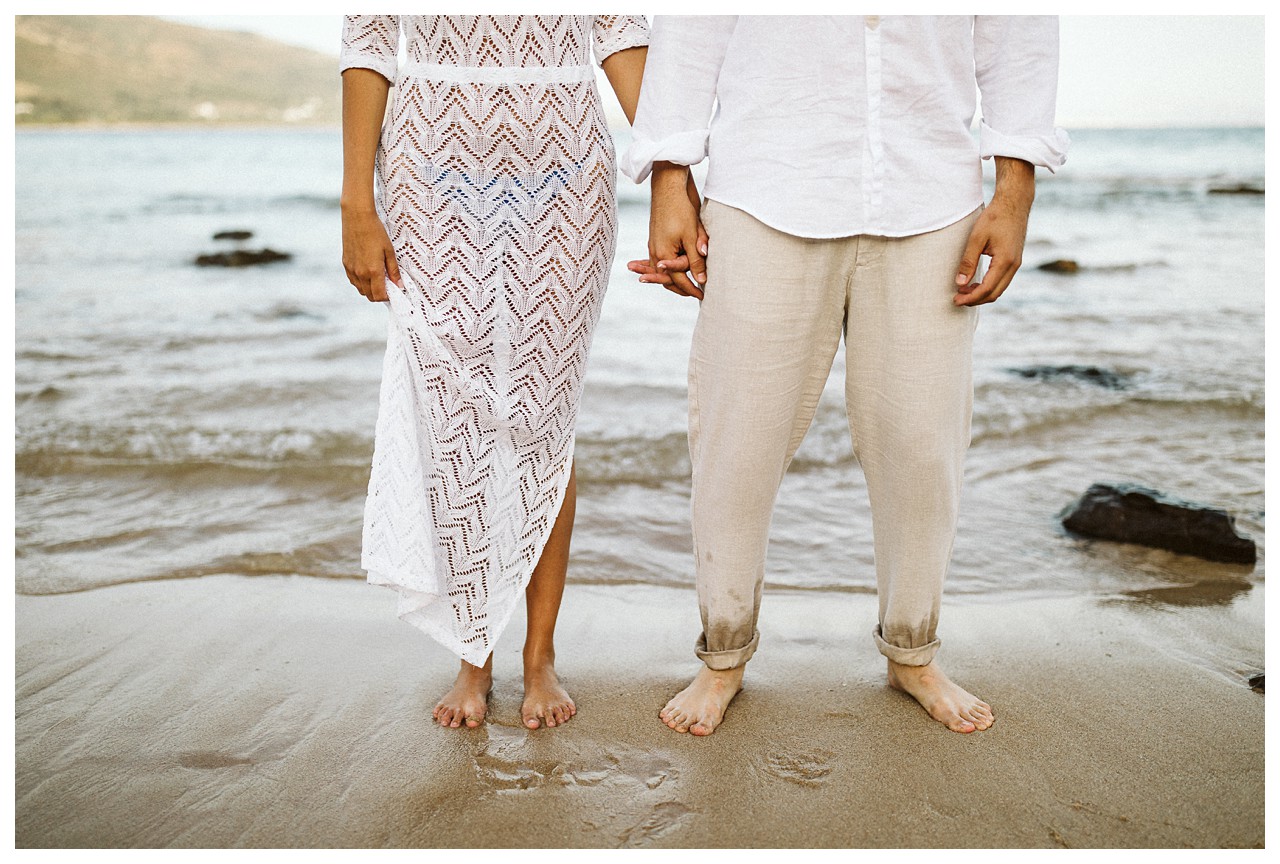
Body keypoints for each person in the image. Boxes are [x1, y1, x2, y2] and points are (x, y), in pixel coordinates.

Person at [623, 15, 1068, 736]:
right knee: (737, 446)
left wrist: (1014, 190)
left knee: (922, 451)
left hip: (932, 196)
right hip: (766, 184)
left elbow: (1019, 32)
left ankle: (912, 653)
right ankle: (723, 657)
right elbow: (691, 24)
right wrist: (670, 176)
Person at [340, 15, 657, 731]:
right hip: (429, 168)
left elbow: (619, 35)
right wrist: (356, 199)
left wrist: (675, 177)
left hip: (567, 169)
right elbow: (367, 43)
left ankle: (539, 657)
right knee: (455, 421)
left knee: (544, 419)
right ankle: (471, 654)